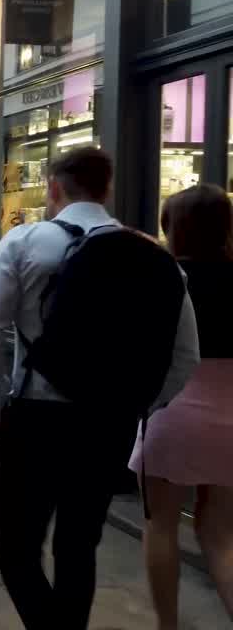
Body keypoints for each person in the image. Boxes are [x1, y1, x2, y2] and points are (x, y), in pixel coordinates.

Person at [0, 147, 199, 630]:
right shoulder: (153, 256)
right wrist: (140, 402)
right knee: (79, 546)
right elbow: (184, 357)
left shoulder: (24, 243)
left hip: (34, 416)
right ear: (107, 189)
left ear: (53, 188)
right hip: (107, 423)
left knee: (16, 549)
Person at [129, 184, 233, 628]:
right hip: (230, 417)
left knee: (161, 526)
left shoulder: (163, 277)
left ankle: (166, 625)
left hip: (171, 412)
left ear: (173, 228)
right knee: (221, 534)